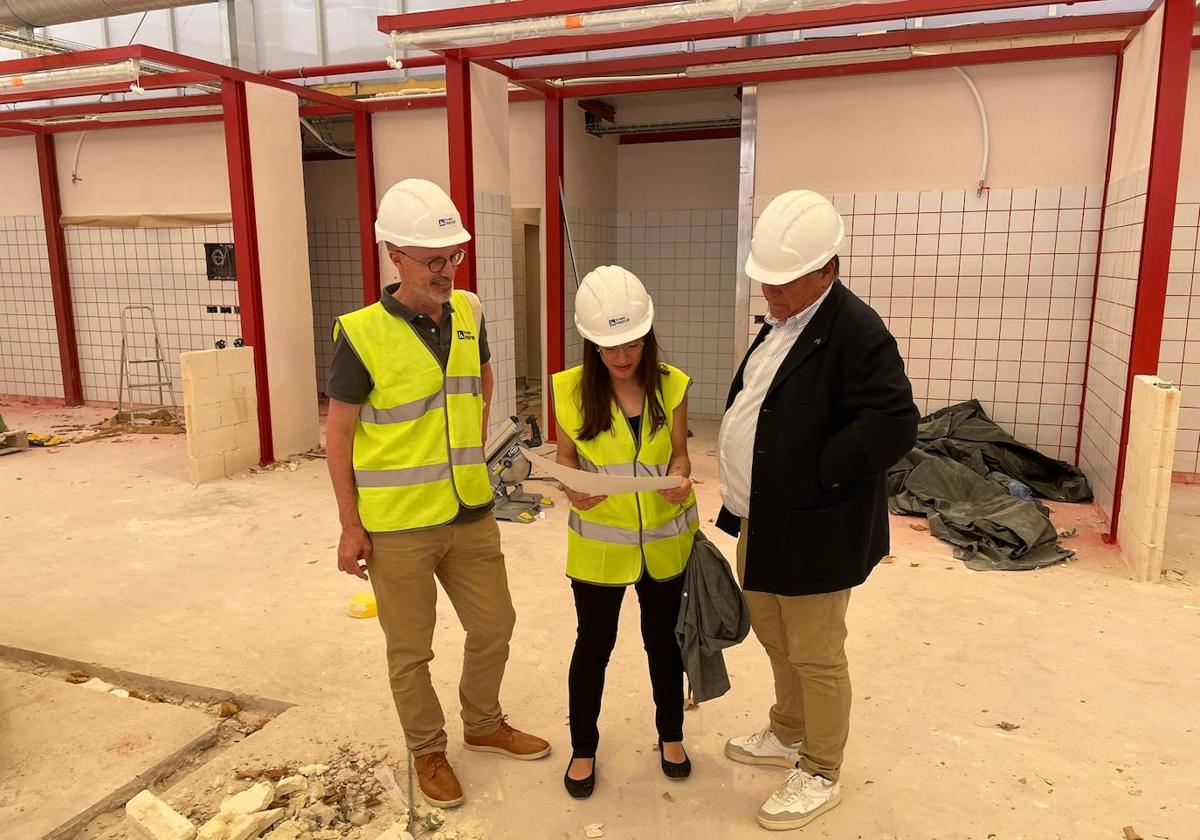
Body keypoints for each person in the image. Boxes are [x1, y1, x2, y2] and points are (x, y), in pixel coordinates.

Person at [324, 178, 551, 810]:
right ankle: (427, 748)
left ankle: (482, 724)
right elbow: (338, 434)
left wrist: (469, 445)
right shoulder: (360, 333)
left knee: (495, 625)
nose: (447, 269)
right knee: (411, 650)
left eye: (454, 256)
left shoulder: (470, 311)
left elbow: (480, 380)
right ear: (394, 253)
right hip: (397, 525)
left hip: (471, 510)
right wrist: (350, 524)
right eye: (433, 258)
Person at [716, 190, 919, 831]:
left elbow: (894, 422)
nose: (768, 293)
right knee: (773, 632)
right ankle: (787, 731)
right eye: (764, 281)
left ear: (826, 270)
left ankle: (822, 770)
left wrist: (818, 472)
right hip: (762, 516)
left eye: (782, 283)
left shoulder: (856, 330)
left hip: (815, 524)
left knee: (816, 650)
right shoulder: (783, 321)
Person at [551, 265, 698, 799]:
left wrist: (682, 477)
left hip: (664, 541)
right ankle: (584, 747)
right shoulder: (568, 391)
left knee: (664, 644)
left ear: (648, 335)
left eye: (632, 343)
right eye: (609, 347)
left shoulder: (672, 385)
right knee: (594, 646)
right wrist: (572, 489)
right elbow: (566, 460)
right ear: (590, 342)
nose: (621, 357)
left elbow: (680, 454)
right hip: (600, 548)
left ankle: (672, 736)